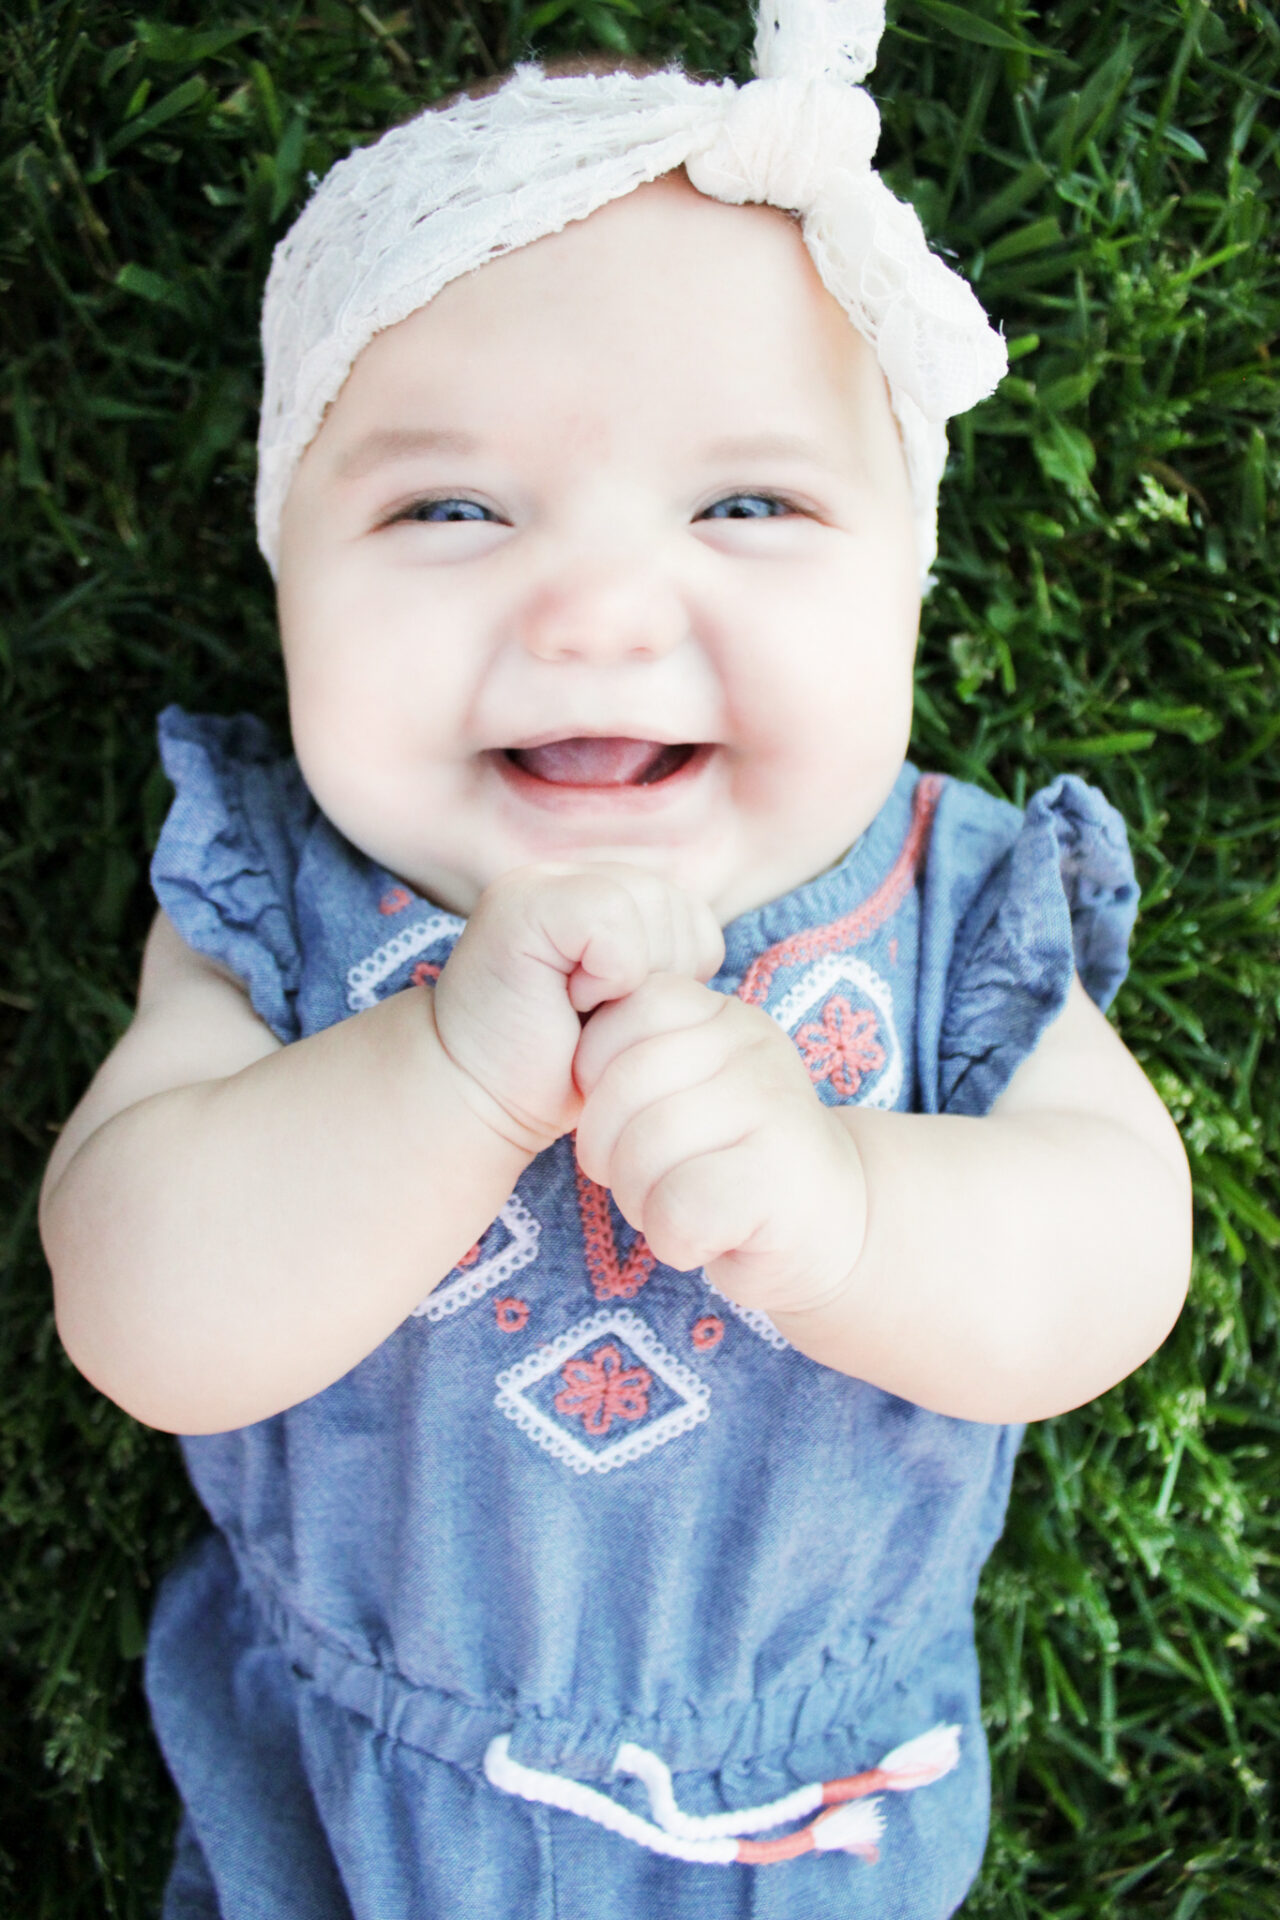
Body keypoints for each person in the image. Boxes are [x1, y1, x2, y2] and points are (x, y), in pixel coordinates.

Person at [39, 3, 1192, 1913]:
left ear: (905, 566)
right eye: (449, 509)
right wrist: (440, 1078)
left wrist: (841, 1209)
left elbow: (1114, 1259)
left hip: (812, 1815)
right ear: (285, 569)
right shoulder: (274, 896)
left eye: (746, 505)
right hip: (344, 1798)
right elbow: (137, 1307)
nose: (589, 612)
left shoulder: (959, 895)